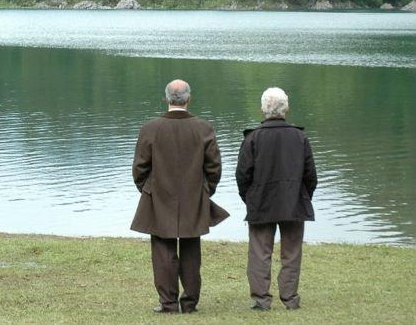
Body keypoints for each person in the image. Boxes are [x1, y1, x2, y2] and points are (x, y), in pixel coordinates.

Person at [130, 79, 229, 314]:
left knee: (163, 250)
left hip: (159, 197)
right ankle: (190, 303)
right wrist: (205, 191)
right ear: (188, 99)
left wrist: (149, 190)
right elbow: (214, 168)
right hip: (193, 197)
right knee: (191, 249)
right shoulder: (203, 128)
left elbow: (139, 168)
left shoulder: (150, 128)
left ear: (167, 99)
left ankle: (168, 303)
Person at [235, 87, 317, 311]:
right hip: (293, 203)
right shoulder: (300, 137)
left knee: (260, 253)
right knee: (291, 252)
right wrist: (301, 197)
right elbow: (311, 176)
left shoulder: (253, 138)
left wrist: (250, 198)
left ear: (262, 109)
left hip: (261, 202)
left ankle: (262, 300)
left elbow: (242, 176)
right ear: (287, 109)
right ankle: (290, 299)